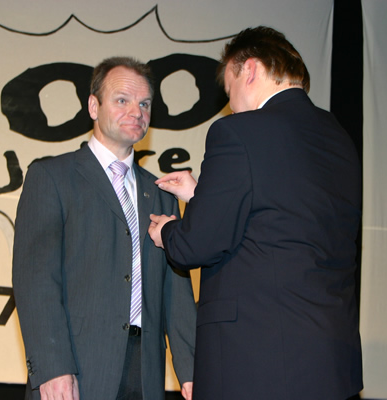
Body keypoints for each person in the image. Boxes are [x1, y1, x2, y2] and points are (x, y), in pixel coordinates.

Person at [148, 27, 363, 399]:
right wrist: (201, 195)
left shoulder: (239, 132)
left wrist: (167, 231)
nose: (231, 105)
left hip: (259, 359)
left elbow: (197, 244)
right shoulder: (338, 137)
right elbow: (282, 217)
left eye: (229, 90)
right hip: (328, 362)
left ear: (249, 69)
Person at [12, 56, 196, 400]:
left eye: (145, 104)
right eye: (122, 100)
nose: (137, 112)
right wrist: (53, 366)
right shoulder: (51, 177)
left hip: (145, 372)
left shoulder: (161, 193)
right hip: (76, 367)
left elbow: (176, 292)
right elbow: (35, 280)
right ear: (93, 107)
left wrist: (191, 369)